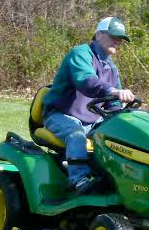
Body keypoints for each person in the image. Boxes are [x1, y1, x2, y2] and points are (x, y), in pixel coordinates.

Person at [42, 17, 135, 195]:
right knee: (76, 135)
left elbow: (113, 105)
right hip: (61, 115)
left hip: (92, 121)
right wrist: (114, 91)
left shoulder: (111, 67)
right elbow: (86, 82)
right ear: (99, 34)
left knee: (118, 139)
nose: (118, 41)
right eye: (114, 36)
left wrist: (123, 113)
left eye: (121, 39)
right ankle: (78, 181)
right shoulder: (80, 54)